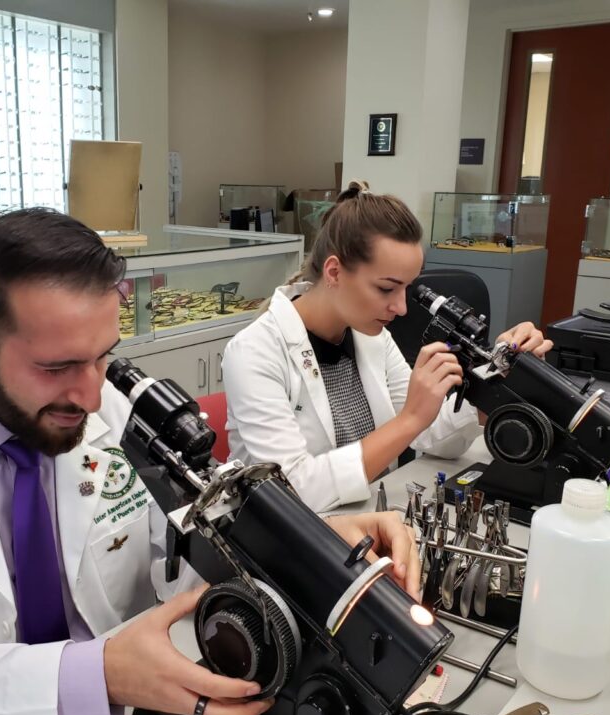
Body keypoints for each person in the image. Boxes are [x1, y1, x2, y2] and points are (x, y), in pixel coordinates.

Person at [0, 208, 422, 715]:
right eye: (57, 366)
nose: (91, 395)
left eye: (102, 357)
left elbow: (186, 527)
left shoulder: (100, 407)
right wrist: (90, 678)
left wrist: (298, 541)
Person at [223, 182, 553, 513]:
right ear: (334, 272)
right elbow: (292, 489)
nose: (401, 307)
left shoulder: (371, 336)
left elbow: (436, 439)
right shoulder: (255, 352)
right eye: (386, 289)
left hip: (372, 516)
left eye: (406, 289)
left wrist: (495, 383)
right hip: (289, 538)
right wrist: (410, 418)